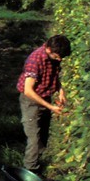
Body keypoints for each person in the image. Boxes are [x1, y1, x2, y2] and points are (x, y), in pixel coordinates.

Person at [18, 34, 70, 172]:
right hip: (31, 102)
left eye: (61, 57)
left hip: (44, 98)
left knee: (42, 136)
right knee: (34, 138)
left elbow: (54, 76)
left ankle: (37, 161)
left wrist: (61, 90)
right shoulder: (34, 61)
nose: (59, 60)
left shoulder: (54, 56)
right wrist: (51, 107)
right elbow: (28, 90)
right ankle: (30, 172)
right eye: (57, 57)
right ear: (48, 49)